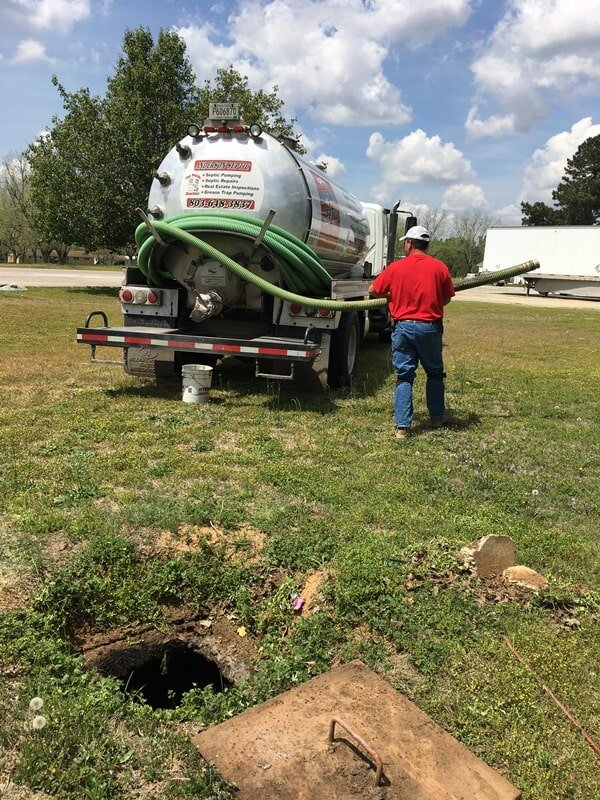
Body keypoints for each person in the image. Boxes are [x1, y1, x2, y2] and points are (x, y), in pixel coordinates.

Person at [369, 225, 455, 439]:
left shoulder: (396, 267)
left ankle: (402, 427)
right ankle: (436, 418)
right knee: (434, 373)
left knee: (404, 376)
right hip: (429, 327)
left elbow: (373, 290)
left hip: (404, 327)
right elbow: (446, 298)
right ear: (426, 245)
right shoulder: (440, 268)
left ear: (409, 243)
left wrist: (392, 297)